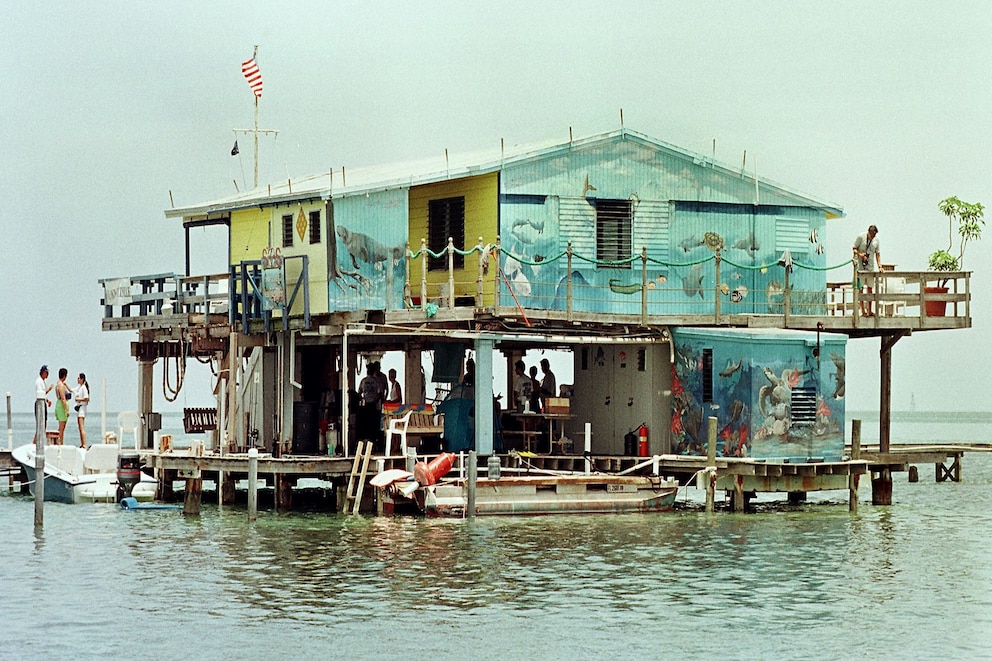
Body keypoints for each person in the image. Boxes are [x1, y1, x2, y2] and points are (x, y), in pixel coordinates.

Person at [357, 362, 386, 451]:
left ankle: (369, 444)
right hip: (374, 406)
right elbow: (380, 393)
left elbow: (359, 392)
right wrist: (374, 401)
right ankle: (372, 444)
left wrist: (364, 399)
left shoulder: (363, 380)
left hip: (367, 406)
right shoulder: (377, 381)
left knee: (367, 425)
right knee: (374, 426)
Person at [853, 224, 881, 316]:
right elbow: (854, 248)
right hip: (860, 268)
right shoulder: (861, 237)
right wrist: (861, 255)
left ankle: (869, 310)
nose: (873, 237)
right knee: (860, 288)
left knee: (870, 288)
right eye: (872, 235)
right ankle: (863, 311)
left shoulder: (876, 240)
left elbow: (877, 254)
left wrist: (880, 266)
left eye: (874, 235)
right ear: (868, 232)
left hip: (870, 268)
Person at [33, 365, 52, 444]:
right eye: (46, 373)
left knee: (44, 424)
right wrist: (49, 389)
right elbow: (41, 393)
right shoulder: (39, 381)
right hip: (39, 404)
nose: (47, 375)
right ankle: (35, 442)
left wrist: (47, 400)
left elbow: (43, 395)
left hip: (43, 402)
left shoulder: (42, 381)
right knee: (41, 424)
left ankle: (37, 441)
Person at [54, 367, 72, 445]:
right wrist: (66, 410)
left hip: (59, 404)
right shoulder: (60, 385)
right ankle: (60, 443)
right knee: (62, 427)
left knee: (61, 427)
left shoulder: (58, 384)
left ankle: (60, 442)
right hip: (62, 406)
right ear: (64, 376)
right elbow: (63, 398)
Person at [74, 372, 90, 448]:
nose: (77, 379)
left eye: (78, 378)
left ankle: (84, 444)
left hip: (82, 408)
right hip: (80, 408)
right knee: (80, 427)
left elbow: (87, 398)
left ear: (82, 379)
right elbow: (72, 390)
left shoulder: (83, 387)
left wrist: (78, 399)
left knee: (81, 426)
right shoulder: (80, 387)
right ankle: (82, 443)